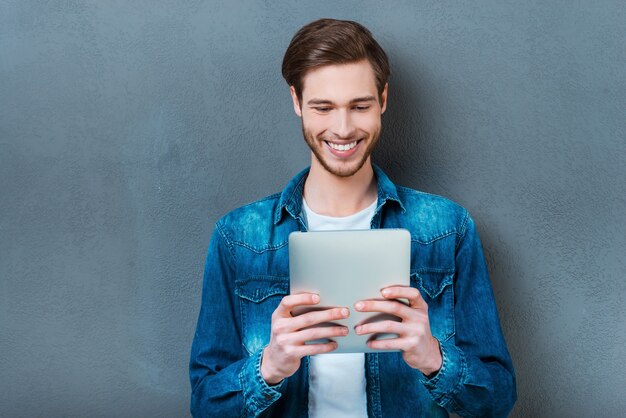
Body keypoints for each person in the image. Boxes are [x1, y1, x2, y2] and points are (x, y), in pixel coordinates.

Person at [190, 18, 516, 418]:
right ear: (296, 102)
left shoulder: (448, 230)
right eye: (323, 107)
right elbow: (205, 405)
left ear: (382, 100)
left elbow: (498, 399)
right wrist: (268, 367)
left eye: (359, 106)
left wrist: (433, 358)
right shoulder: (238, 237)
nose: (342, 129)